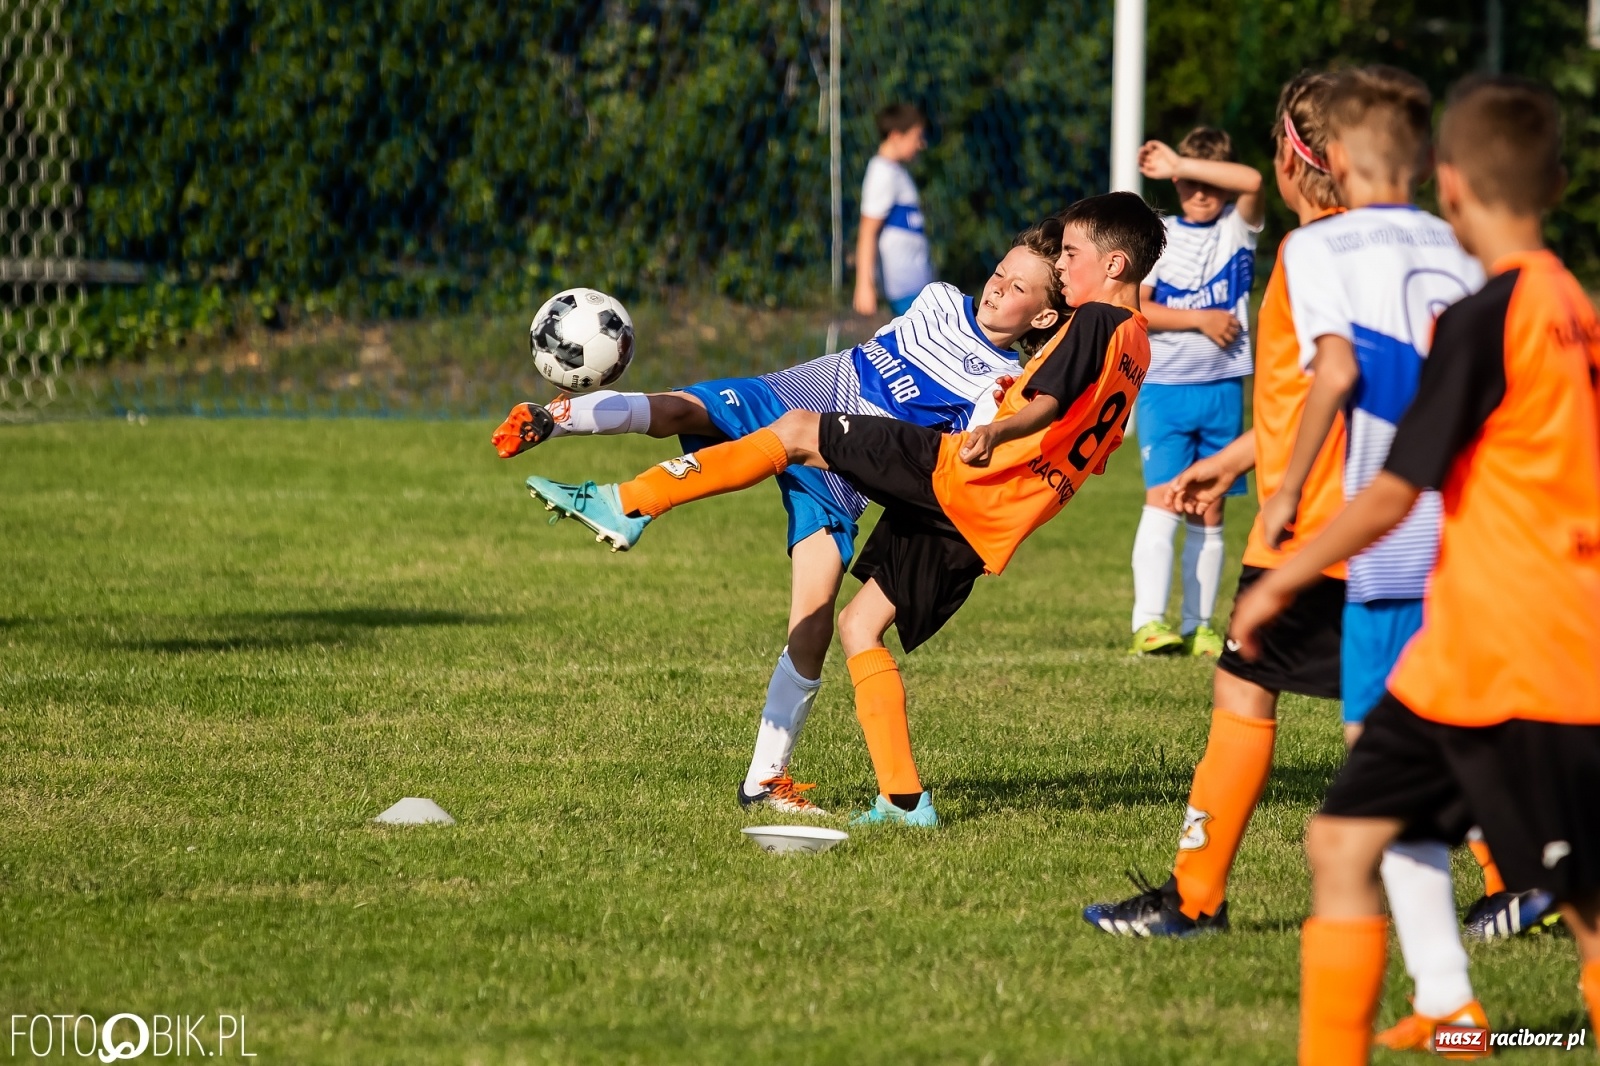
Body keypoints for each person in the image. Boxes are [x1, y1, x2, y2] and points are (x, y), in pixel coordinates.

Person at [523, 193, 1163, 825]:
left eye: (1070, 258)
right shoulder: (1133, 346)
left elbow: (1044, 405)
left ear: (1104, 272)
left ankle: (630, 508)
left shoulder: (1092, 325)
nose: (1006, 286)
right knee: (854, 619)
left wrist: (998, 426)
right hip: (979, 512)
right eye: (1004, 273)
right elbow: (1084, 431)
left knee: (809, 499)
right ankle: (903, 801)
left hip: (933, 476)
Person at [1228, 73, 1600, 1066]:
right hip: (1471, 627)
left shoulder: (1496, 313)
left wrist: (1276, 571)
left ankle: (1462, 1008)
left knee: (1582, 902)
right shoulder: (1572, 305)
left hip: (1520, 643)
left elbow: (1394, 487)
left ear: (1452, 187)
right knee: (1344, 835)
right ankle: (1450, 1011)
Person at [1084, 71, 1349, 938]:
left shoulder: (1315, 254)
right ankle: (1525, 878)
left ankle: (1194, 899)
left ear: (1287, 157)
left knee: (1246, 694)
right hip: (1396, 526)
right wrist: (1242, 455)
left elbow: (1337, 382)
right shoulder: (1420, 249)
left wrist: (1271, 499)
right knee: (1398, 715)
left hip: (1316, 528)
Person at [1128, 127, 1265, 657]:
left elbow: (1252, 179)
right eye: (1188, 182)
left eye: (1210, 180)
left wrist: (1183, 161)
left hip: (1223, 388)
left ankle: (1199, 625)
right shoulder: (1160, 236)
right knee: (1163, 501)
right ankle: (1148, 623)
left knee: (1208, 509)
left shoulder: (1239, 228)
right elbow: (1138, 308)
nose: (1201, 193)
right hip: (1166, 388)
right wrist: (1200, 320)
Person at [853, 104, 934, 318]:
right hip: (903, 289)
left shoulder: (896, 172)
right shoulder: (881, 172)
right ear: (896, 136)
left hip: (915, 288)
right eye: (916, 137)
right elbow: (867, 230)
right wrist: (864, 284)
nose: (921, 144)